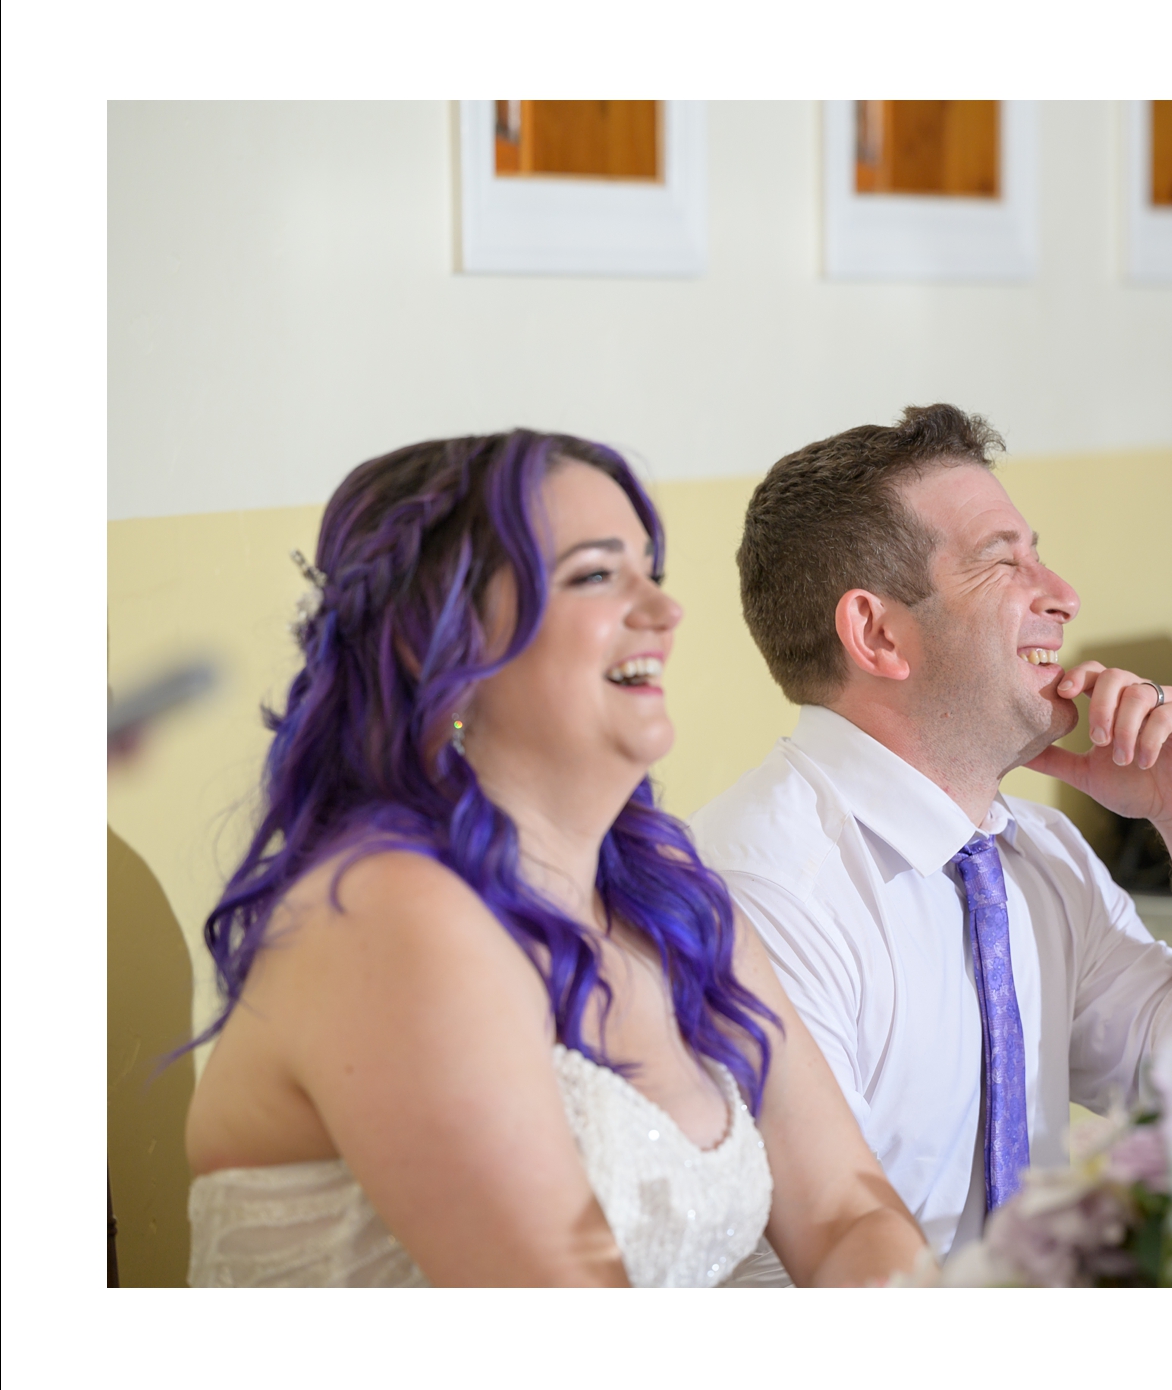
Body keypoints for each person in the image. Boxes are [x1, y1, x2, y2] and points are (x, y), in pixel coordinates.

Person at [182, 430, 930, 1286]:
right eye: (597, 575)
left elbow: (847, 1214)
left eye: (652, 570)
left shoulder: (674, 902)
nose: (663, 610)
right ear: (437, 644)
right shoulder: (385, 913)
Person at [693, 404, 1172, 1276]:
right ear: (878, 633)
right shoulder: (763, 890)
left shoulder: (1040, 854)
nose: (1063, 595)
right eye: (1005, 562)